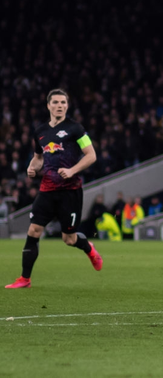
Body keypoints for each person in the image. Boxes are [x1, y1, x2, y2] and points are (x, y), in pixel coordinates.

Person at [5, 89, 102, 289]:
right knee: (33, 230)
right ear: (48, 105)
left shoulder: (76, 129)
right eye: (56, 102)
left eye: (63, 102)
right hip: (47, 189)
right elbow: (39, 158)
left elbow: (91, 155)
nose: (60, 106)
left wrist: (72, 170)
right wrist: (31, 168)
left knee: (68, 239)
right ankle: (25, 278)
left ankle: (89, 249)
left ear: (67, 105)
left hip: (70, 191)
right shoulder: (40, 131)